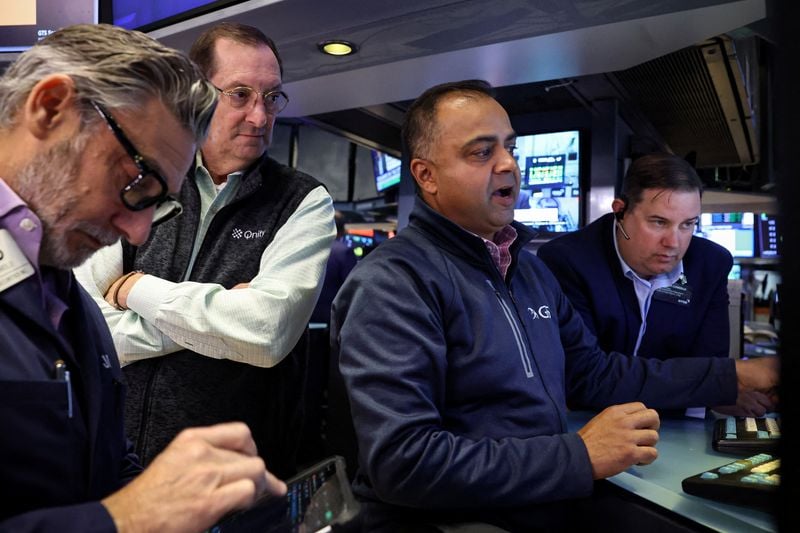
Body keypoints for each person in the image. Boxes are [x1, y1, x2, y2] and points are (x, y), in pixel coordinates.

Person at [330, 80, 778, 531]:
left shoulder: (528, 270)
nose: (508, 164)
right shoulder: (393, 282)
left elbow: (595, 374)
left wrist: (734, 376)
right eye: (482, 152)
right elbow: (405, 463)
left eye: (510, 147)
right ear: (426, 176)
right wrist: (578, 454)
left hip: (541, 501)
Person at [0, 24, 285, 531]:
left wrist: (183, 501)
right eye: (136, 182)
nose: (136, 230)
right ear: (50, 108)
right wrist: (130, 518)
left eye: (160, 203)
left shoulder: (69, 299)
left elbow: (105, 468)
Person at [75, 22, 336, 475]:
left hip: (231, 473)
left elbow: (266, 335)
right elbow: (92, 330)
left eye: (272, 97)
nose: (259, 117)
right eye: (240, 95)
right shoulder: (144, 178)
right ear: (197, 92)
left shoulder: (302, 200)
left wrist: (137, 290)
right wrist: (225, 322)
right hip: (114, 456)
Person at [537, 153, 772, 417]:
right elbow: (585, 378)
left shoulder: (710, 264)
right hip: (590, 422)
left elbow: (709, 365)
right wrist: (723, 382)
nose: (674, 243)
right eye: (659, 222)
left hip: (675, 424)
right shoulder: (568, 261)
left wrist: (719, 388)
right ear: (620, 211)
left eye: (687, 224)